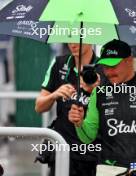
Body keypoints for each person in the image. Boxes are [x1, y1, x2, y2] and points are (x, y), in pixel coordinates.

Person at [69, 39, 136, 176]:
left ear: (128, 61)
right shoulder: (99, 92)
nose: (108, 72)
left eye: (113, 66)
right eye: (105, 67)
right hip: (107, 170)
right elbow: (88, 137)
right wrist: (79, 123)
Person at [35, 43, 102, 176]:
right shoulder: (59, 63)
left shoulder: (104, 67)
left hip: (95, 153)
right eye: (70, 37)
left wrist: (96, 91)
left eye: (79, 37)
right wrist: (55, 94)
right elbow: (39, 107)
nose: (73, 43)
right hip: (63, 151)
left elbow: (115, 109)